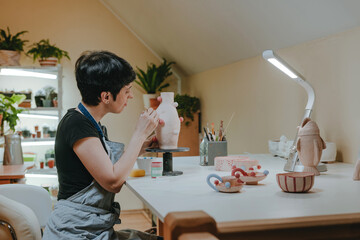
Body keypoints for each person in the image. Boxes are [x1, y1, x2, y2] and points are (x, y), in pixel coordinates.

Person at [43, 51, 163, 240]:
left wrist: (144, 145)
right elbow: (113, 181)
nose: (130, 96)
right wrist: (139, 134)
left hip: (92, 226)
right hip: (75, 231)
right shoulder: (76, 124)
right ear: (106, 96)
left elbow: (110, 167)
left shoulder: (90, 123)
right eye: (127, 90)